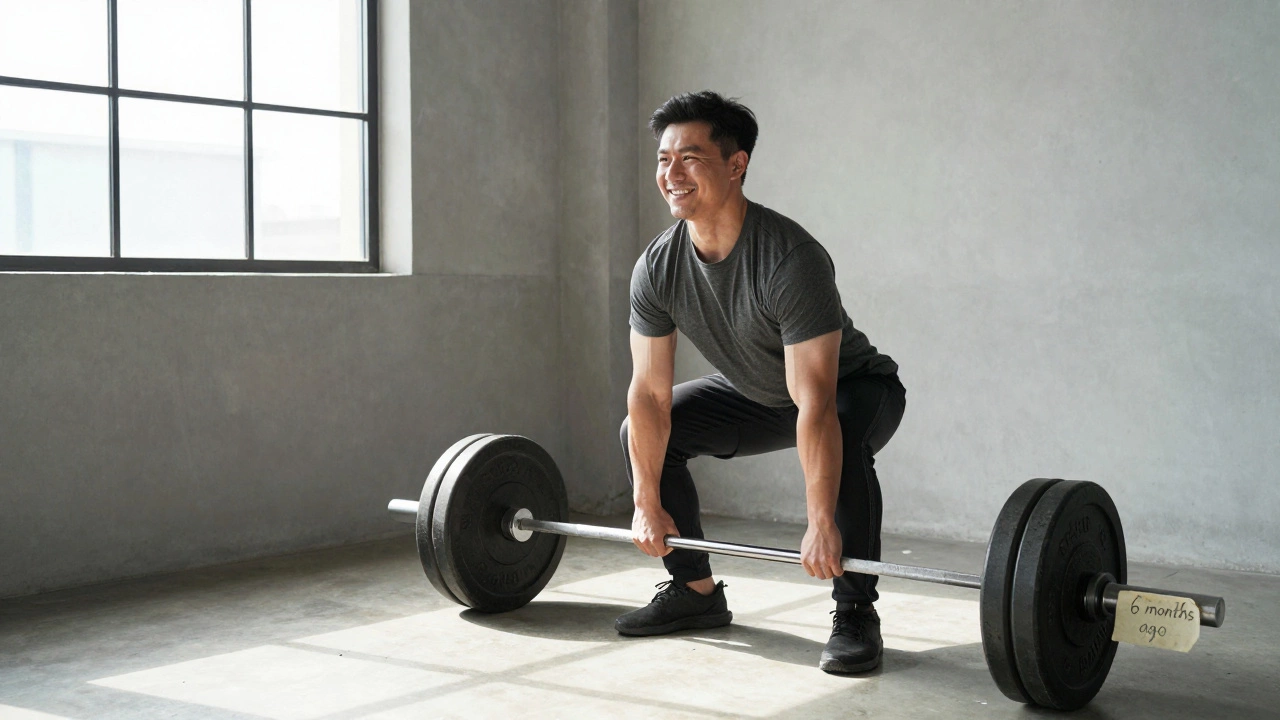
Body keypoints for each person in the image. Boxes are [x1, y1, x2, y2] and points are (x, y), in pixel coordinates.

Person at [615, 90, 906, 674]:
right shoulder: (658, 266)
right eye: (662, 159)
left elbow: (817, 402)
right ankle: (694, 593)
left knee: (842, 439)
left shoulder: (788, 258)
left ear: (736, 164)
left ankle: (855, 614)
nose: (671, 174)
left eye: (689, 158)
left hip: (852, 388)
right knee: (641, 429)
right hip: (759, 389)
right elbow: (648, 395)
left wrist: (821, 523)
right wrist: (645, 502)